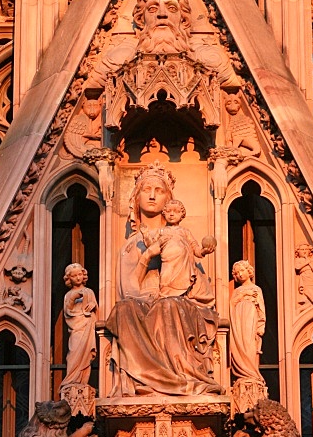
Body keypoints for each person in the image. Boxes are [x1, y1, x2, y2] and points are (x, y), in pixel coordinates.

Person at [106, 164, 220, 397]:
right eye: (145, 190)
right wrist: (147, 256)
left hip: (176, 303)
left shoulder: (182, 236)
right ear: (135, 199)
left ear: (170, 201)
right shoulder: (132, 245)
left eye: (159, 190)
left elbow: (197, 287)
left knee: (169, 306)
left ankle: (180, 378)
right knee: (125, 309)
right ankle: (145, 379)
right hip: (143, 303)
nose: (151, 195)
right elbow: (129, 289)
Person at [141, 200, 216, 299]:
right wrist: (146, 235)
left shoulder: (185, 231)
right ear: (164, 214)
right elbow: (152, 246)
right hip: (167, 262)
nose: (171, 214)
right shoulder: (161, 231)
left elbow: (195, 248)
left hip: (183, 263)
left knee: (183, 281)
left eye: (176, 212)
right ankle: (165, 295)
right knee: (166, 279)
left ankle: (182, 296)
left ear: (182, 215)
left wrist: (203, 251)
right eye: (168, 211)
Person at [61, 263, 98, 394]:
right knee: (73, 353)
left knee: (86, 355)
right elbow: (67, 312)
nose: (77, 278)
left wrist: (93, 305)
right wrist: (74, 298)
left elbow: (96, 312)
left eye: (80, 275)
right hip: (76, 328)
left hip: (87, 326)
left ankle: (83, 381)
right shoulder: (68, 294)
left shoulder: (89, 292)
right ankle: (71, 380)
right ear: (69, 278)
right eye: (74, 276)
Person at [229, 261, 266, 385]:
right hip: (238, 319)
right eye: (237, 273)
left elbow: (261, 309)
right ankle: (243, 373)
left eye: (242, 271)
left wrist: (261, 325)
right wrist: (239, 298)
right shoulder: (236, 291)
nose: (240, 274)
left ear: (249, 271)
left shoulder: (256, 289)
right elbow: (231, 306)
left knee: (250, 344)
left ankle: (251, 373)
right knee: (239, 344)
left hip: (250, 317)